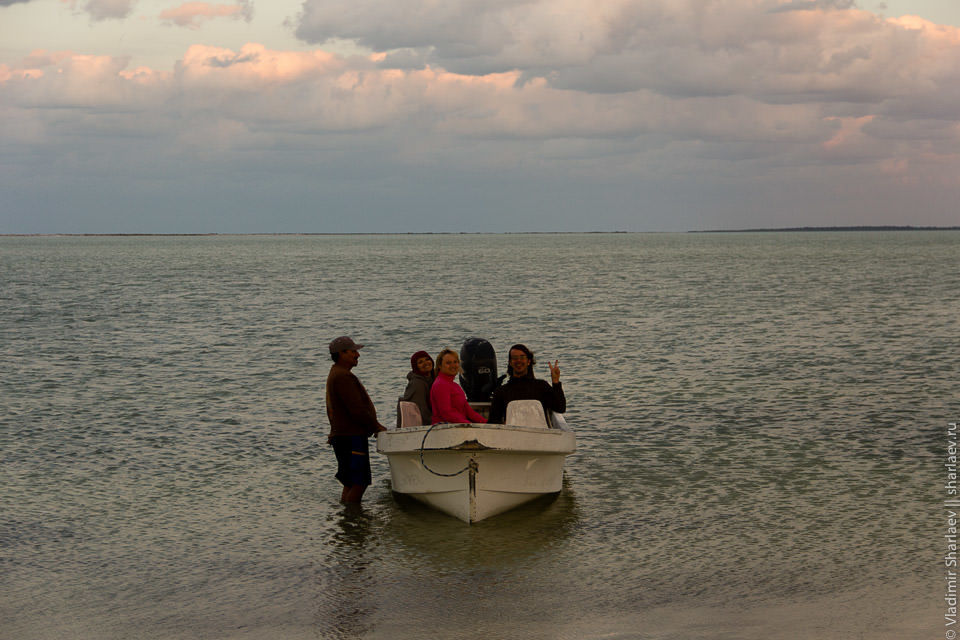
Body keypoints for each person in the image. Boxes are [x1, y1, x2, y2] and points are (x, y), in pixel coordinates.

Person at [325, 336, 387, 503]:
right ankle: (353, 520)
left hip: (343, 436)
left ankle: (348, 520)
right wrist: (376, 426)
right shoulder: (343, 376)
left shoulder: (336, 373)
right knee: (360, 482)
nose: (357, 355)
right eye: (353, 351)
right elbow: (356, 410)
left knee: (350, 482)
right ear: (341, 353)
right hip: (351, 437)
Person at [488, 343, 565, 425]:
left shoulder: (541, 386)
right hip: (512, 435)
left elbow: (560, 408)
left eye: (522, 357)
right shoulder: (501, 391)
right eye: (515, 358)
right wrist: (504, 424)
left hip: (540, 435)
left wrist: (556, 382)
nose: (518, 361)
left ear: (528, 361)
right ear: (510, 362)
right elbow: (493, 421)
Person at [430, 348, 487, 424]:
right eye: (448, 363)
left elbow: (468, 411)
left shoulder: (455, 385)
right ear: (439, 366)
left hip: (459, 426)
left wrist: (487, 423)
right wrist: (468, 424)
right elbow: (446, 413)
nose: (453, 365)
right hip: (445, 430)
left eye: (455, 362)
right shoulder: (440, 384)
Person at [398, 350, 434, 426]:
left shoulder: (431, 378)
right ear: (415, 366)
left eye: (427, 359)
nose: (425, 363)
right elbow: (422, 411)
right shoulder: (417, 384)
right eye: (420, 362)